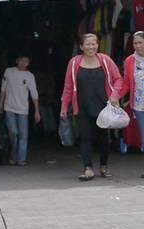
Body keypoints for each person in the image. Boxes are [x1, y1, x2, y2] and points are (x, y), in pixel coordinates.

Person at [60, 33, 122, 181]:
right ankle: (88, 168)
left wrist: (114, 95)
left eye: (94, 43)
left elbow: (118, 79)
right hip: (82, 107)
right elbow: (68, 86)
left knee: (103, 139)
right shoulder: (74, 63)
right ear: (81, 47)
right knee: (85, 138)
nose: (91, 47)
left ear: (98, 45)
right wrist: (64, 106)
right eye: (87, 44)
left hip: (103, 107)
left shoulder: (105, 60)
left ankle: (103, 166)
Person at [0, 55, 41, 165]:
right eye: (21, 60)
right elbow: (3, 90)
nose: (23, 63)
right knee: (13, 132)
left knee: (23, 135)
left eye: (26, 61)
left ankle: (21, 159)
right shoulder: (9, 72)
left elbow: (34, 94)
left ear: (28, 63)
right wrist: (0, 106)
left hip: (23, 108)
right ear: (17, 61)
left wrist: (37, 111)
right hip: (9, 107)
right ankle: (13, 155)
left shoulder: (29, 76)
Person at [118, 30, 144, 160]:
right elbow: (126, 82)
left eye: (140, 43)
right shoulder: (129, 60)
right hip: (139, 105)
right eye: (135, 43)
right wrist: (116, 96)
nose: (138, 46)